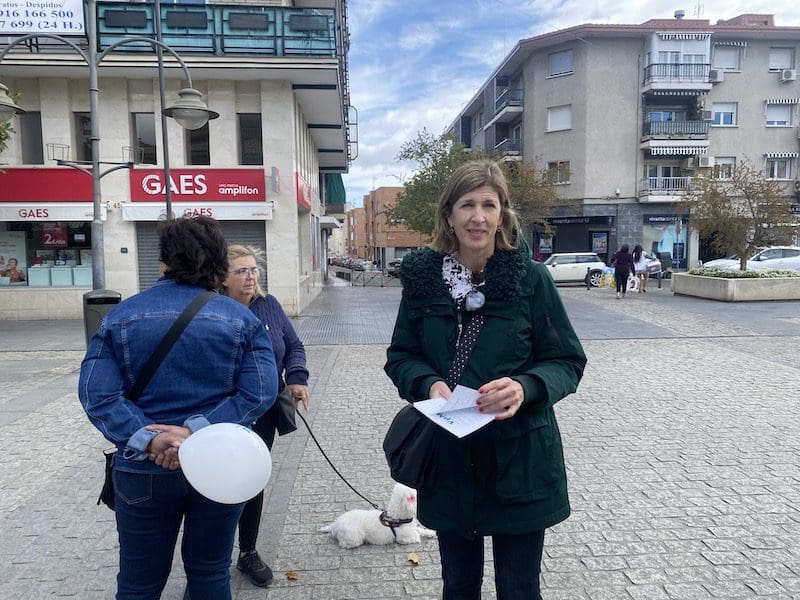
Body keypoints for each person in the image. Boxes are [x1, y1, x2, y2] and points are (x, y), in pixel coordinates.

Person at [384, 159, 587, 599]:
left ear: (502, 214)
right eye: (467, 205)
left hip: (520, 462)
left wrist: (525, 387)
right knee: (458, 587)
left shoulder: (531, 279)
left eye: (488, 205)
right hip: (450, 460)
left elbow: (567, 360)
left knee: (518, 588)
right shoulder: (423, 281)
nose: (478, 216)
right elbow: (402, 356)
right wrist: (427, 384)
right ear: (449, 215)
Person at [78, 216, 278, 600]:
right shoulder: (241, 319)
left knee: (138, 584)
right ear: (218, 264)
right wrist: (195, 432)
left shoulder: (120, 317)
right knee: (210, 573)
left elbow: (97, 395)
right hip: (221, 463)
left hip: (143, 467)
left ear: (163, 262)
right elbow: (260, 392)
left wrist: (150, 439)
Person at [221, 244, 310, 588]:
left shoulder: (268, 305)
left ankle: (248, 551)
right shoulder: (214, 309)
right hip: (226, 415)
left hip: (266, 413)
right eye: (241, 271)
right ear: (222, 277)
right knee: (220, 484)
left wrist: (297, 377)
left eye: (254, 270)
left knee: (252, 479)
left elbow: (294, 346)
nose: (250, 277)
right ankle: (211, 558)